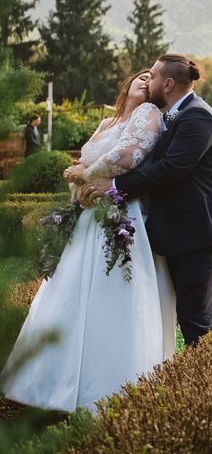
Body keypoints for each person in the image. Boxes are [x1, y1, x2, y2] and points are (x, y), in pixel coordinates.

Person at [0, 70, 176, 412]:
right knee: (69, 294)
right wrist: (77, 188)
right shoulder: (106, 122)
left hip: (121, 211)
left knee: (113, 292)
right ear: (125, 84)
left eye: (151, 78)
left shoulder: (149, 114)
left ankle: (111, 387)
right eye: (140, 76)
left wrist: (87, 171)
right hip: (87, 216)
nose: (147, 80)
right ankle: (51, 384)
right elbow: (81, 165)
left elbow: (129, 157)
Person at [80, 54, 212, 347]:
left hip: (202, 232)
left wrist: (113, 185)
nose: (145, 81)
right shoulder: (175, 114)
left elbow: (171, 170)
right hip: (182, 233)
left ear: (166, 83)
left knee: (197, 321)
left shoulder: (197, 115)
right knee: (191, 317)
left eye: (150, 76)